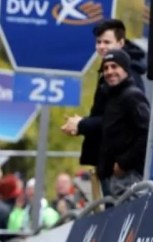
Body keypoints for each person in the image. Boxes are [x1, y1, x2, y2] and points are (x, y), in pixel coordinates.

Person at [61, 19, 147, 196]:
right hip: (108, 166)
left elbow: (140, 130)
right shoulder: (112, 82)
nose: (101, 47)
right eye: (98, 42)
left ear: (121, 43)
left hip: (124, 172)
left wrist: (82, 125)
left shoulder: (131, 85)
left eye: (107, 42)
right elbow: (111, 117)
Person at [96, 49, 150, 199]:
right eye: (106, 68)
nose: (109, 71)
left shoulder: (132, 96)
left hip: (129, 178)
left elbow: (147, 134)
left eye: (114, 66)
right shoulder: (112, 97)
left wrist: (123, 164)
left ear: (125, 69)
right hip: (113, 179)